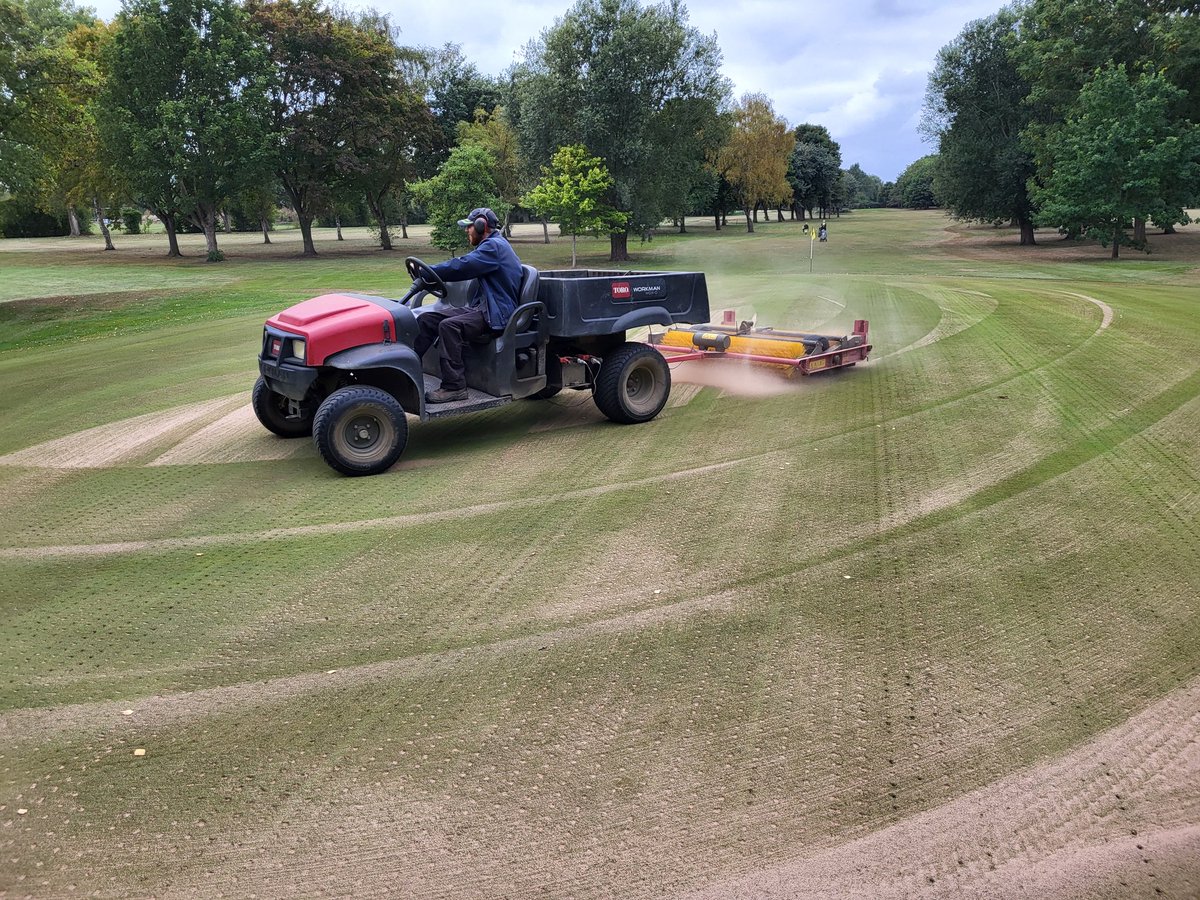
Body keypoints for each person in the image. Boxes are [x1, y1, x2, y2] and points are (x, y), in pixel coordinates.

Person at [413, 207, 524, 403]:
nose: (467, 231)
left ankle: (454, 387)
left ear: (482, 225)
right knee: (427, 319)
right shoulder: (491, 246)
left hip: (497, 312)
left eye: (469, 226)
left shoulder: (494, 247)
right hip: (483, 307)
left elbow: (463, 265)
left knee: (449, 327)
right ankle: (410, 369)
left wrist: (429, 272)